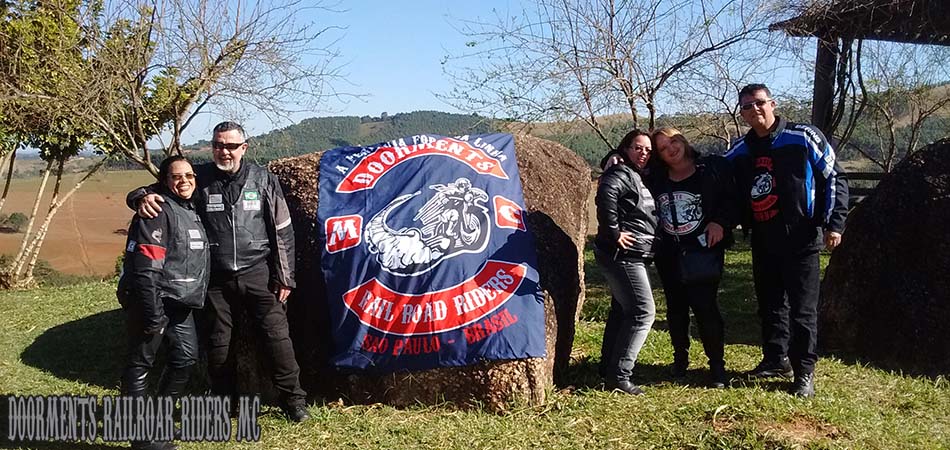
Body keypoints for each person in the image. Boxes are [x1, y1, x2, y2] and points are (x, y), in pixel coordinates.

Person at [128, 121, 309, 421]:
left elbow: (283, 230)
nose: (224, 151)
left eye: (231, 146)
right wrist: (138, 197)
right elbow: (160, 189)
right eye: (218, 145)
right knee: (218, 343)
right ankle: (225, 403)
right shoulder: (199, 177)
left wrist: (285, 276)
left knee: (277, 338)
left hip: (259, 272)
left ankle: (294, 401)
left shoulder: (263, 179)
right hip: (214, 277)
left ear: (244, 148)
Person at [725, 84, 849, 398]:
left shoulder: (802, 136)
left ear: (772, 104)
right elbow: (710, 169)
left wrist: (834, 223)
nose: (754, 110)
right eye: (746, 106)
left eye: (759, 103)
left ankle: (804, 371)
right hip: (763, 238)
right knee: (770, 306)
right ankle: (775, 359)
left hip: (801, 237)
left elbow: (834, 176)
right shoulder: (741, 149)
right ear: (742, 114)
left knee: (802, 311)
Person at [117, 156, 208, 450]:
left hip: (178, 300)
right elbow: (147, 268)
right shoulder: (156, 210)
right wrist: (152, 314)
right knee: (140, 364)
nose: (185, 181)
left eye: (189, 175)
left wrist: (138, 194)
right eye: (176, 176)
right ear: (164, 181)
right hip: (152, 299)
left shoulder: (189, 206)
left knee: (185, 358)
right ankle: (142, 438)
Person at [650, 127, 737, 389]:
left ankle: (717, 365)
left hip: (703, 251)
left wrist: (720, 222)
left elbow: (732, 199)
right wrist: (612, 157)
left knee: (705, 307)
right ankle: (680, 359)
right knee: (676, 308)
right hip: (669, 253)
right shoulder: (656, 177)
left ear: (683, 140)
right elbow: (627, 156)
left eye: (674, 141)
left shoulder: (710, 169)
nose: (671, 149)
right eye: (663, 148)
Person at [594, 129, 658, 395]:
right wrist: (614, 231)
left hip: (635, 253)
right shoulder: (620, 172)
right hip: (623, 255)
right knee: (643, 312)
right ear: (626, 149)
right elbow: (606, 194)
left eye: (648, 150)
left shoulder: (638, 174)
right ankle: (620, 376)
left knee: (622, 310)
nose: (643, 153)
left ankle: (608, 367)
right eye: (638, 148)